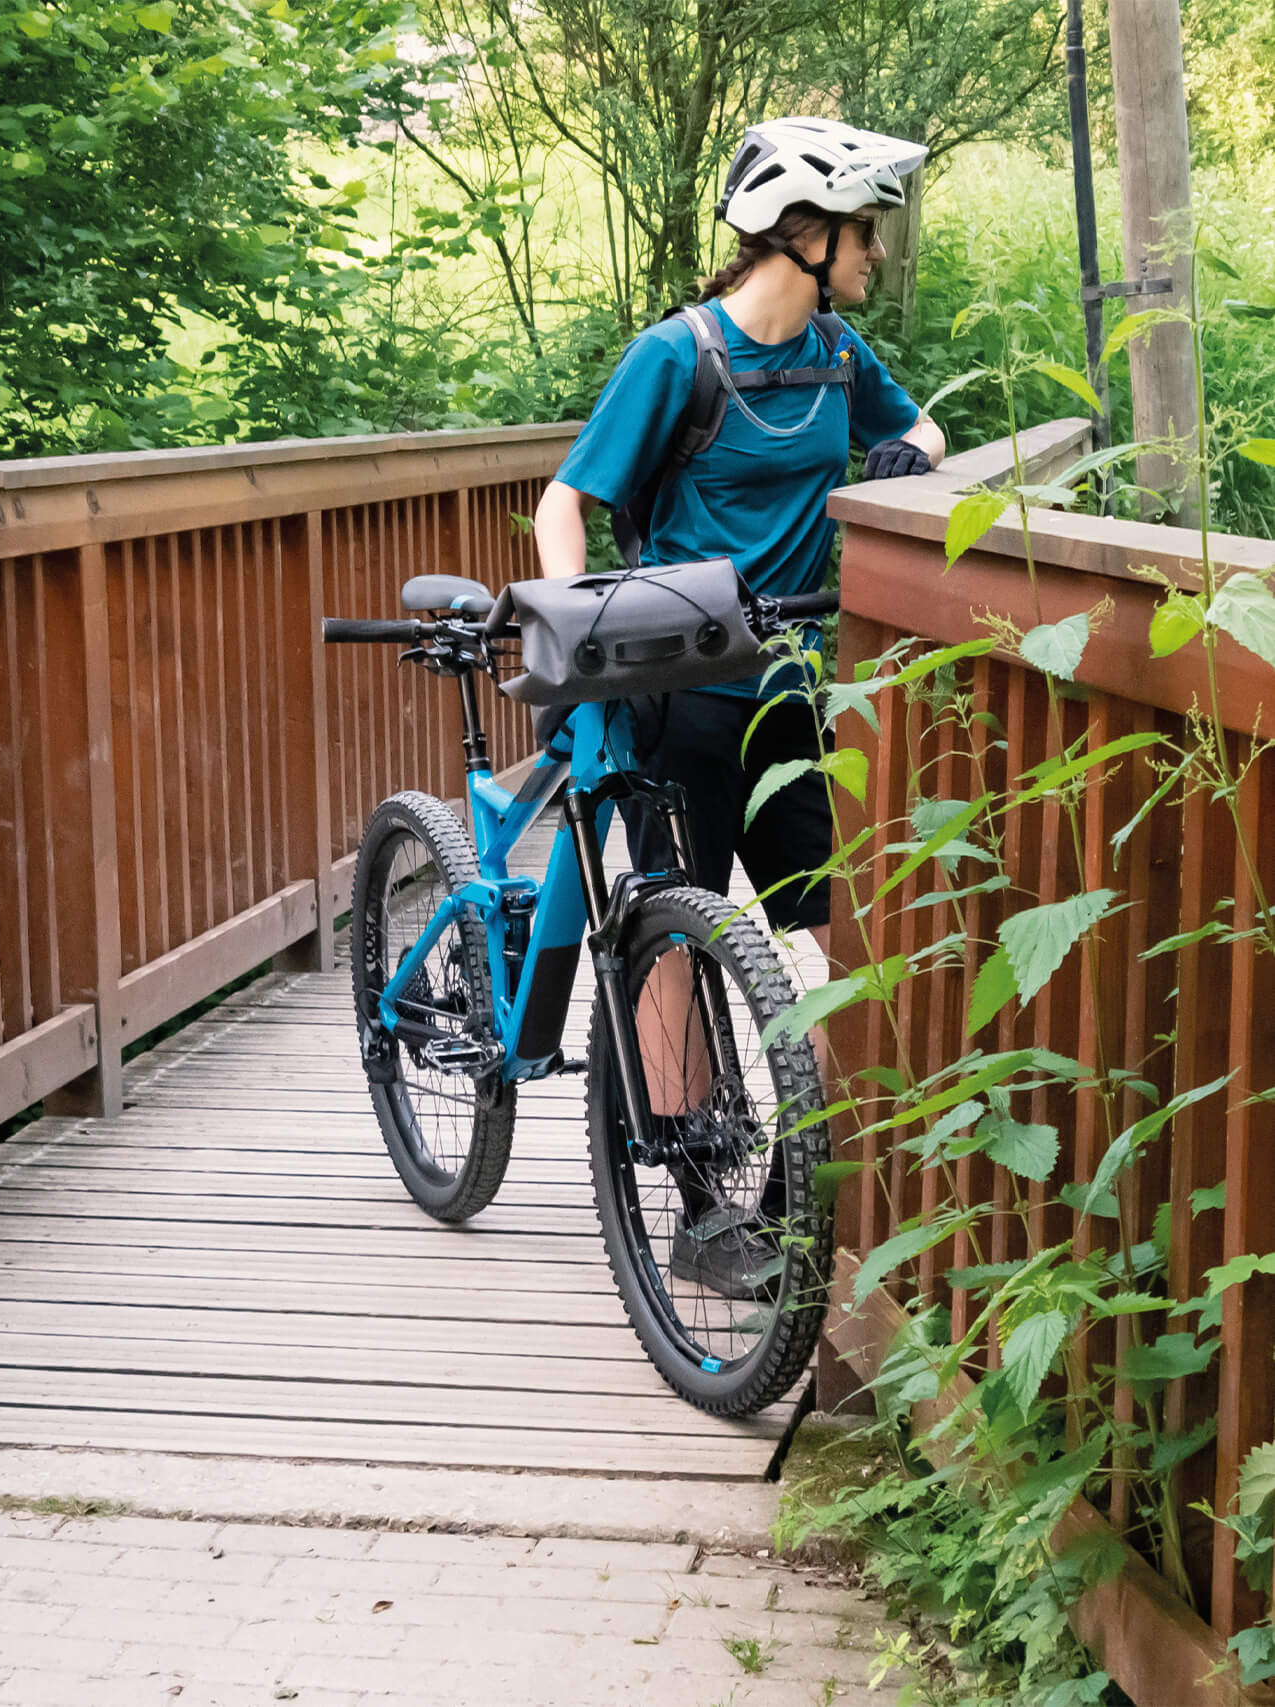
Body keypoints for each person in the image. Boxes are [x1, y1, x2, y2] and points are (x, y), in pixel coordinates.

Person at [531, 116, 945, 1295]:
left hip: (800, 699)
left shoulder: (836, 352)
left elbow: (917, 424)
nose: (877, 253)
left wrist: (910, 452)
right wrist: (591, 635)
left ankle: (790, 1185)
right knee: (676, 933)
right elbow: (566, 505)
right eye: (867, 231)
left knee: (846, 938)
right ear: (807, 234)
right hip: (681, 698)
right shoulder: (679, 357)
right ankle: (697, 1199)